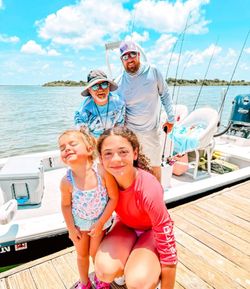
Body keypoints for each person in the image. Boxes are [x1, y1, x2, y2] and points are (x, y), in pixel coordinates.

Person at [94, 126, 177, 289]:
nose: (116, 159)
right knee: (104, 272)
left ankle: (145, 268)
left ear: (135, 153)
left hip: (151, 231)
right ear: (101, 159)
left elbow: (167, 244)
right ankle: (127, 264)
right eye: (108, 153)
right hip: (125, 227)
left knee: (139, 283)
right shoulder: (105, 181)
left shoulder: (148, 187)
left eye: (123, 151)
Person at [58, 129, 118, 289]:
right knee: (82, 254)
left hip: (100, 222)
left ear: (89, 148)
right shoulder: (66, 182)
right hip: (79, 224)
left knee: (95, 253)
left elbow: (114, 198)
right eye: (62, 147)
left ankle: (100, 278)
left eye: (72, 144)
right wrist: (71, 228)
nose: (66, 149)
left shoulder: (102, 172)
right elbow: (65, 205)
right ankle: (85, 283)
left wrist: (100, 223)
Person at [116, 40, 175, 182]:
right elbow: (116, 112)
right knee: (132, 167)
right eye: (125, 56)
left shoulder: (153, 71)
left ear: (138, 55)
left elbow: (165, 94)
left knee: (154, 165)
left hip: (151, 131)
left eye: (132, 54)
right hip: (129, 133)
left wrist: (171, 118)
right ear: (121, 60)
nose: (129, 58)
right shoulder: (118, 82)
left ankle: (156, 199)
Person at [74, 70, 125, 139]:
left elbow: (119, 129)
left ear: (109, 86)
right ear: (89, 90)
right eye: (95, 86)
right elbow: (84, 138)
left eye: (104, 84)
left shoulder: (119, 104)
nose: (100, 89)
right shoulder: (82, 112)